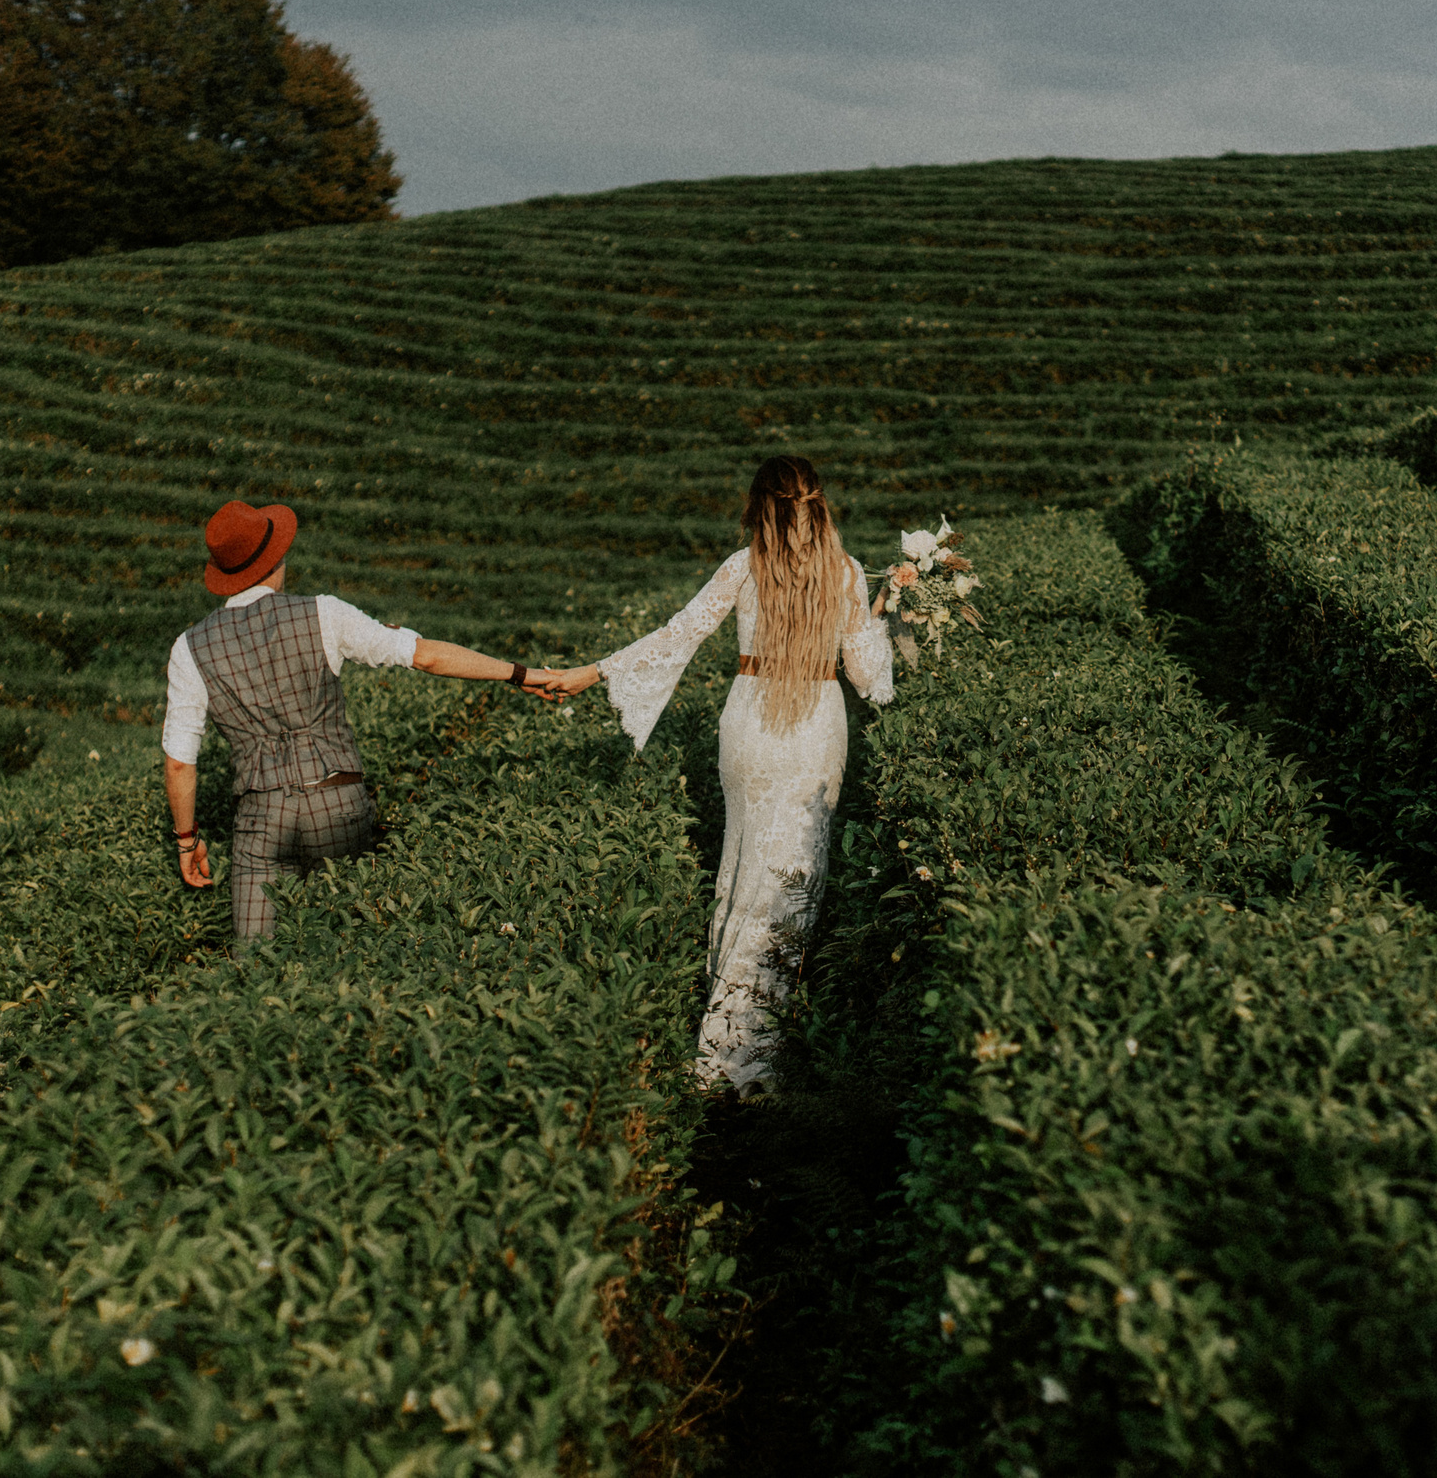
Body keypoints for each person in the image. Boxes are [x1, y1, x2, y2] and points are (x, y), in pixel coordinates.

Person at [534, 456, 894, 1090]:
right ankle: (747, 1060)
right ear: (819, 506)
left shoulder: (743, 567)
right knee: (791, 881)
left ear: (759, 507)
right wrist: (885, 614)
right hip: (814, 726)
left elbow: (679, 634)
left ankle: (726, 1030)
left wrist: (592, 671)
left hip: (751, 723)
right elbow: (870, 680)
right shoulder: (846, 573)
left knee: (744, 865)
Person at [164, 498, 556, 944]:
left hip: (260, 818)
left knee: (255, 961)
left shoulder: (189, 648)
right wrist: (520, 673)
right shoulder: (324, 613)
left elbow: (179, 762)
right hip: (338, 802)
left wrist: (187, 840)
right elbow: (425, 655)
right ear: (277, 558)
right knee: (356, 943)